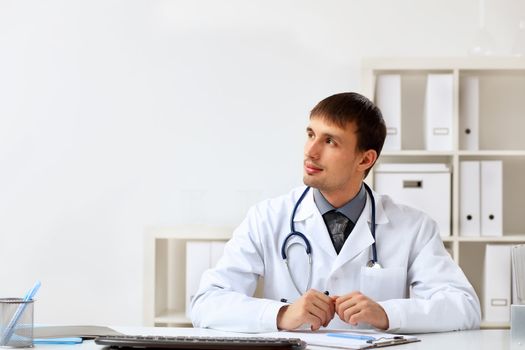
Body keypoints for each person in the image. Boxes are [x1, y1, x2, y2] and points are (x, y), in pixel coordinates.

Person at [190, 92, 481, 333]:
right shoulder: (267, 218)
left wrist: (387, 313)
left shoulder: (413, 227)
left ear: (365, 159)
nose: (310, 152)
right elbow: (206, 304)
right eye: (310, 134)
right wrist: (281, 314)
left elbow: (465, 307)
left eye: (330, 141)